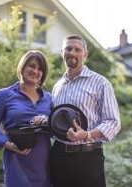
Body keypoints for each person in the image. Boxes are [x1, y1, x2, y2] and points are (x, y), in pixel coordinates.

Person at [50, 34, 121, 187]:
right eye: (68, 49)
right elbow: (55, 120)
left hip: (88, 158)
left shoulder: (101, 83)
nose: (72, 53)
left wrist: (87, 134)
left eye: (77, 49)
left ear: (85, 54)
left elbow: (113, 122)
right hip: (59, 156)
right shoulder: (57, 86)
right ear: (62, 52)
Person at [0, 50, 53, 187]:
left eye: (40, 69)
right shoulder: (5, 95)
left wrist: (47, 120)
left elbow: (54, 129)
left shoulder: (48, 98)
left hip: (44, 163)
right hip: (16, 162)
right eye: (32, 66)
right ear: (22, 67)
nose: (35, 71)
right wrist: (8, 144)